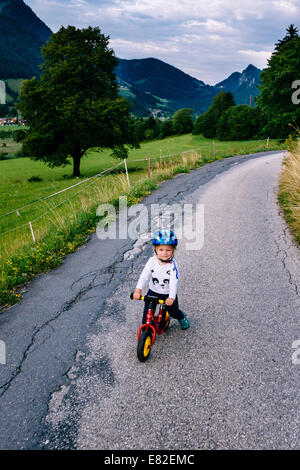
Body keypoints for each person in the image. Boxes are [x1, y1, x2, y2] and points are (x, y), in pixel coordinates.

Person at [133, 229, 190, 329]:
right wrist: (138, 290)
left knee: (173, 311)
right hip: (153, 291)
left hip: (167, 294)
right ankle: (145, 330)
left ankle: (181, 317)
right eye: (161, 250)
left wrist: (171, 297)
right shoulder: (152, 261)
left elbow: (173, 282)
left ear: (173, 250)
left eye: (168, 250)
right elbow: (144, 276)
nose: (164, 253)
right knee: (147, 314)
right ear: (155, 249)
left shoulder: (173, 265)